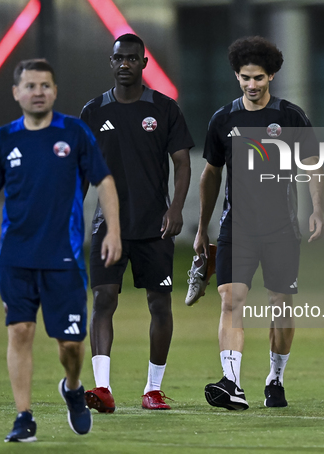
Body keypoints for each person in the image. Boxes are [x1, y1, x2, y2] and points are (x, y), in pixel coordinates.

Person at [0, 59, 122, 441]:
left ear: (54, 91)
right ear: (16, 92)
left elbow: (106, 182)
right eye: (30, 86)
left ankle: (73, 387)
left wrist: (113, 231)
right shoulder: (4, 139)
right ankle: (23, 417)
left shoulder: (76, 133)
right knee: (20, 331)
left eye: (45, 85)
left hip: (62, 259)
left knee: (70, 345)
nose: (38, 92)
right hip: (15, 257)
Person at [192, 36, 324, 410]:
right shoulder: (223, 119)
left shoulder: (290, 117)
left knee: (281, 305)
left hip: (282, 228)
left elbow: (313, 165)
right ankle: (231, 383)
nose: (252, 85)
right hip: (237, 227)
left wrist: (317, 209)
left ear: (272, 76)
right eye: (245, 77)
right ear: (237, 75)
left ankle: (275, 378)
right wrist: (202, 229)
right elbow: (211, 176)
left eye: (260, 78)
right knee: (230, 299)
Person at [80, 33, 193, 412]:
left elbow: (181, 163)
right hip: (108, 226)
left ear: (144, 63)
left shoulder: (164, 109)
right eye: (118, 59)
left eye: (132, 59)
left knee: (160, 304)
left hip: (154, 225)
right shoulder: (93, 112)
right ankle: (102, 388)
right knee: (103, 299)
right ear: (110, 63)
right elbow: (81, 172)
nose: (125, 64)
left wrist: (175, 209)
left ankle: (153, 389)